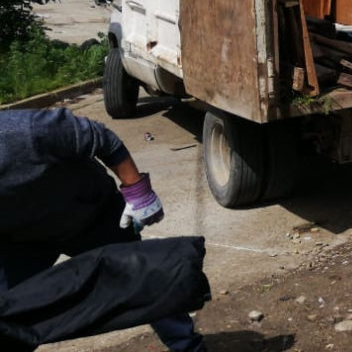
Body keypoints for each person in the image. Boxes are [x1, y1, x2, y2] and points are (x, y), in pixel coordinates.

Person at [0, 109, 205, 351]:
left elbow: (101, 137)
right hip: (24, 238)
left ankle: (187, 346)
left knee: (144, 277)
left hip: (91, 215)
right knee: (7, 311)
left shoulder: (24, 131)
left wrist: (138, 192)